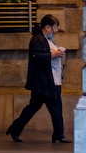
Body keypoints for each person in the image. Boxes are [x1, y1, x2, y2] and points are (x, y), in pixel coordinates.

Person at [6, 14, 69, 143]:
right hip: (46, 82)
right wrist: (54, 54)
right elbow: (37, 56)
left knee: (35, 107)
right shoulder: (39, 39)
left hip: (48, 81)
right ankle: (58, 134)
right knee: (54, 108)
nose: (56, 31)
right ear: (47, 27)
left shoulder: (45, 39)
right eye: (55, 28)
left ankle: (15, 129)